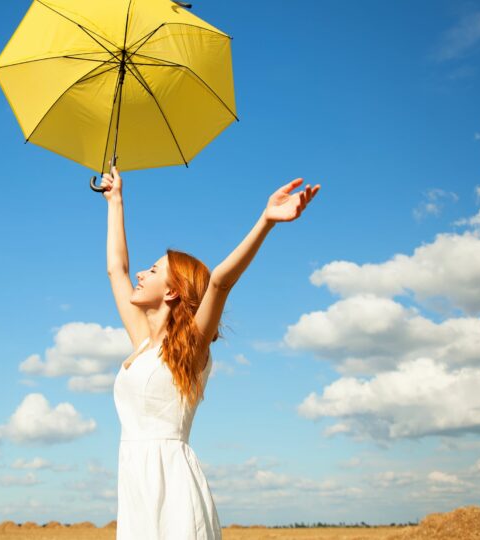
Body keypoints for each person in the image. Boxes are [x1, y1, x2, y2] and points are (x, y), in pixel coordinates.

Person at [101, 163, 320, 539]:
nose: (140, 274)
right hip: (135, 485)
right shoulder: (142, 344)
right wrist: (115, 200)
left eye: (152, 271)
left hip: (173, 487)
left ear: (172, 292)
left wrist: (266, 221)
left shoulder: (188, 350)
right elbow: (116, 270)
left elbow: (219, 282)